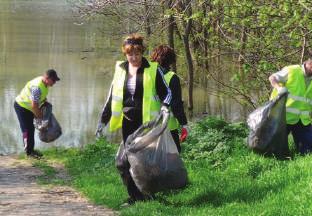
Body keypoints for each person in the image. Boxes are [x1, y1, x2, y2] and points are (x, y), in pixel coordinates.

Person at [97, 34, 172, 205]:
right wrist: (103, 121)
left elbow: (167, 93)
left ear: (142, 52)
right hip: (127, 122)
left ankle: (146, 195)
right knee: (124, 162)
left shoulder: (153, 69)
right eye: (130, 54)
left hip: (146, 123)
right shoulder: (120, 69)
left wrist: (165, 107)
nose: (134, 57)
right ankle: (135, 196)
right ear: (125, 54)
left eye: (137, 53)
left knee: (143, 161)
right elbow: (112, 97)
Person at [150, 45, 188, 152]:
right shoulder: (171, 77)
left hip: (148, 127)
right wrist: (184, 124)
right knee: (172, 159)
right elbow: (176, 105)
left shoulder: (147, 74)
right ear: (171, 61)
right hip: (168, 127)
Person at [269, 59, 312, 154]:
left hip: (303, 120)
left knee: (308, 151)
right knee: (275, 151)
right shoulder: (292, 70)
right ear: (310, 64)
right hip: (283, 118)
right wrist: (279, 88)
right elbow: (272, 78)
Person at [14, 69, 60, 158]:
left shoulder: (44, 83)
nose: (54, 83)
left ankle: (31, 150)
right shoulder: (37, 87)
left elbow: (38, 99)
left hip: (29, 107)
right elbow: (34, 106)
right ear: (47, 78)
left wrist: (43, 101)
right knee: (27, 129)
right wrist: (40, 117)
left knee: (31, 129)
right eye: (53, 80)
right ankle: (28, 152)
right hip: (22, 107)